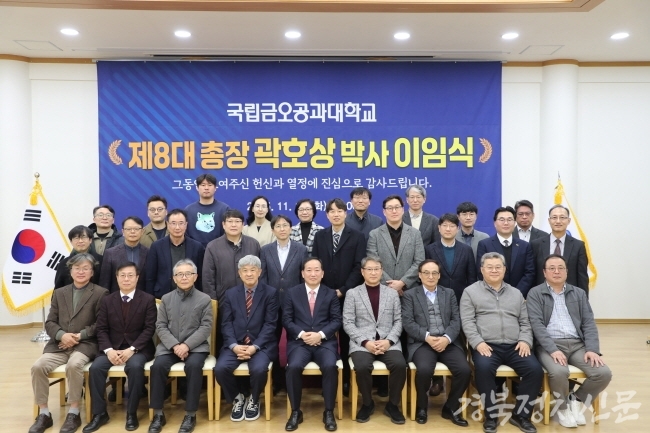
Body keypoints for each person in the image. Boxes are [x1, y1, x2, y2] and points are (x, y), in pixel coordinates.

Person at [460, 252, 543, 433]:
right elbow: (467, 322)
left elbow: (525, 322)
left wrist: (525, 340)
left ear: (504, 269)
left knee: (535, 370)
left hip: (515, 346)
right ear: (482, 270)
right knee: (483, 369)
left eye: (498, 267)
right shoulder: (470, 292)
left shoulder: (516, 293)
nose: (494, 270)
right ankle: (491, 416)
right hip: (487, 345)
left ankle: (521, 415)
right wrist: (478, 343)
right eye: (489, 267)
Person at [526, 254, 612, 428]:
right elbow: (537, 325)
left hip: (577, 345)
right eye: (551, 268)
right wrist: (552, 349)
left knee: (603, 373)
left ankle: (576, 400)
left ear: (567, 271)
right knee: (559, 371)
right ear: (544, 272)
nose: (556, 272)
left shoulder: (578, 293)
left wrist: (592, 349)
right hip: (549, 345)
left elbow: (588, 323)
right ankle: (563, 408)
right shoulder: (535, 293)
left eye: (561, 268)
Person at [29, 254, 108, 433]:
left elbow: (101, 323)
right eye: (77, 268)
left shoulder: (100, 293)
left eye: (85, 268)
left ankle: (73, 412)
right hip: (59, 345)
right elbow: (50, 322)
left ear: (92, 272)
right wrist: (61, 335)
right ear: (70, 271)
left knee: (74, 365)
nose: (81, 272)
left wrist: (79, 336)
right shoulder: (59, 293)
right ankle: (44, 413)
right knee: (38, 366)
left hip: (85, 344)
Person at [83, 262, 156, 433]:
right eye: (122, 275)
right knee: (96, 368)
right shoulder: (108, 300)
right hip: (112, 348)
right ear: (116, 278)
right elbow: (101, 329)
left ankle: (131, 413)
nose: (126, 279)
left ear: (137, 278)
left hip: (138, 348)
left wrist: (132, 349)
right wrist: (109, 350)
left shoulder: (147, 299)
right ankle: (100, 413)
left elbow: (149, 329)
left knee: (135, 367)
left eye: (130, 275)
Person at [401, 259, 471, 426]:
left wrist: (446, 338)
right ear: (419, 275)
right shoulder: (410, 295)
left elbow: (456, 320)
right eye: (426, 273)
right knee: (424, 370)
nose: (430, 276)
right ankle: (421, 407)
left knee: (465, 370)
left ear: (439, 275)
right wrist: (427, 337)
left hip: (447, 342)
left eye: (434, 273)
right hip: (422, 343)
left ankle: (451, 407)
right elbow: (408, 322)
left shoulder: (449, 293)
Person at [148, 259, 213, 433]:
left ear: (195, 277)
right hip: (170, 346)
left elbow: (206, 327)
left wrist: (187, 345)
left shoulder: (204, 299)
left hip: (196, 347)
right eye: (180, 274)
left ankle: (190, 415)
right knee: (158, 367)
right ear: (174, 278)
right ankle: (158, 415)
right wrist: (175, 345)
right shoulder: (166, 299)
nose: (184, 277)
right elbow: (160, 326)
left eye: (188, 274)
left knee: (193, 366)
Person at [342, 256, 406, 424]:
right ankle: (367, 403)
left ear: (381, 271)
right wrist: (365, 342)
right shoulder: (352, 293)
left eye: (376, 269)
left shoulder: (392, 293)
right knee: (362, 366)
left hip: (388, 342)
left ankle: (392, 405)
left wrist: (389, 341)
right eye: (369, 269)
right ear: (362, 272)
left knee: (400, 365)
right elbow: (348, 323)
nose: (373, 272)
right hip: (362, 343)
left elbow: (398, 321)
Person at [312, 198, 366, 395]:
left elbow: (358, 266)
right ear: (327, 215)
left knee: (345, 337)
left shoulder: (357, 236)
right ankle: (327, 381)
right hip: (324, 295)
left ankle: (346, 382)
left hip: (348, 295)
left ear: (345, 213)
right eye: (332, 211)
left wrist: (343, 289)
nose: (336, 214)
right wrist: (325, 291)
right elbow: (316, 264)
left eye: (339, 211)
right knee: (324, 336)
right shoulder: (320, 236)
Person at [214, 255, 279, 423]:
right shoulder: (230, 294)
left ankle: (254, 400)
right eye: (245, 270)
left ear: (260, 272)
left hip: (261, 345)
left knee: (259, 369)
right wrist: (233, 346)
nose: (249, 274)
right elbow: (226, 323)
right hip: (236, 343)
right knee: (220, 369)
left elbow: (270, 324)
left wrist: (255, 347)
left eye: (252, 270)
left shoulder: (270, 293)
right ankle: (237, 398)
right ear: (239, 273)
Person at [283, 257, 341, 432]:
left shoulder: (330, 294)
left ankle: (329, 412)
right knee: (293, 367)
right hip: (299, 343)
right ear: (302, 273)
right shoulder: (292, 293)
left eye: (317, 270)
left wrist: (320, 335)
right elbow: (287, 320)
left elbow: (336, 320)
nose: (313, 274)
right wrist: (302, 335)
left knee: (330, 366)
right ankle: (295, 411)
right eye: (309, 270)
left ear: (322, 273)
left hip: (324, 343)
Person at [260, 215, 308, 393]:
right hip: (272, 303)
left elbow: (303, 277)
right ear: (273, 230)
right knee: (271, 341)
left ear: (290, 228)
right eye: (278, 226)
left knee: (294, 341)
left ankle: (292, 380)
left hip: (294, 304)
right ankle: (275, 380)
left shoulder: (301, 249)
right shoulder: (265, 250)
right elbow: (263, 277)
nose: (282, 229)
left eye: (285, 225)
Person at [367, 195, 425, 294]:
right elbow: (373, 263)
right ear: (384, 212)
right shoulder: (374, 234)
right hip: (383, 290)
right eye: (390, 208)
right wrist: (391, 286)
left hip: (410, 290)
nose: (394, 211)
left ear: (402, 210)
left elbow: (419, 261)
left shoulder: (415, 234)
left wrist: (403, 283)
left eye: (397, 207)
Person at [202, 209, 261, 302]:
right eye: (230, 221)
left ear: (243, 224)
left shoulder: (253, 244)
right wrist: (213, 301)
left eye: (237, 221)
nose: (234, 225)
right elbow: (208, 278)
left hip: (251, 299)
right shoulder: (212, 247)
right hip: (223, 300)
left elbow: (261, 273)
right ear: (223, 224)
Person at [476, 206, 535, 298]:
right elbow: (481, 271)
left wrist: (517, 293)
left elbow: (529, 273)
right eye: (502, 219)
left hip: (518, 296)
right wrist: (496, 291)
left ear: (514, 223)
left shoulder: (525, 246)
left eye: (509, 220)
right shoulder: (484, 244)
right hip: (492, 295)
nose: (506, 223)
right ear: (495, 223)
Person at [145, 209, 205, 298]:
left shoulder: (197, 247)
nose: (177, 227)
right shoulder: (156, 246)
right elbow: (150, 277)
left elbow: (201, 277)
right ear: (168, 225)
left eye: (181, 223)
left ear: (186, 225)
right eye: (173, 223)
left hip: (191, 297)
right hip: (163, 296)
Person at [531, 205, 589, 295]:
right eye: (554, 217)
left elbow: (582, 277)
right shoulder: (536, 244)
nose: (558, 221)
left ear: (568, 221)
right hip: (542, 295)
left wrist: (583, 299)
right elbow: (532, 274)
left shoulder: (578, 246)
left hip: (570, 296)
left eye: (562, 217)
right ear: (549, 220)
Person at [424, 213, 477, 304]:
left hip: (461, 298)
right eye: (445, 225)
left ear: (457, 229)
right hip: (436, 298)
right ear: (439, 228)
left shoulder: (466, 250)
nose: (448, 229)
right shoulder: (429, 249)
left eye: (452, 226)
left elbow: (471, 277)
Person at [98, 216, 149, 293]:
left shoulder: (149, 252)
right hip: (116, 297)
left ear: (142, 231)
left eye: (136, 229)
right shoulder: (110, 253)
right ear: (123, 231)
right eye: (128, 229)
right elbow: (105, 282)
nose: (132, 232)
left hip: (142, 297)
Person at [184, 173, 231, 247]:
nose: (206, 188)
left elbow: (229, 233)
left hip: (218, 249)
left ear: (215, 188)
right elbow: (185, 234)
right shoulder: (188, 210)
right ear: (197, 188)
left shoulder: (224, 209)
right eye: (203, 185)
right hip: (194, 250)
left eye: (210, 185)